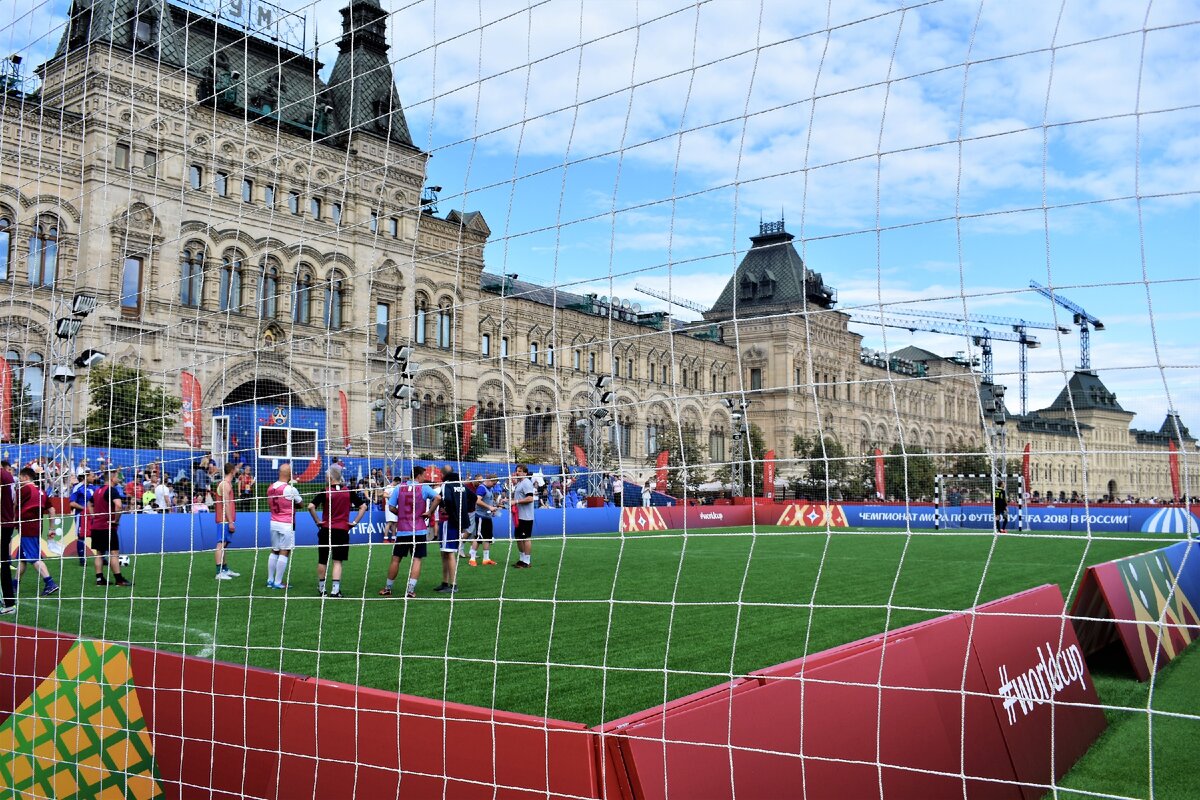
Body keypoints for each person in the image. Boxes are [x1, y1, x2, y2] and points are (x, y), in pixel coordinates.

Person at [309, 465, 368, 598]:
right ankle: (335, 590)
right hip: (341, 530)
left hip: (326, 529)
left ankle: (322, 589)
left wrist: (317, 521)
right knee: (337, 561)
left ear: (330, 478)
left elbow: (311, 506)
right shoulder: (348, 491)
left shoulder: (325, 491)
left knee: (323, 560)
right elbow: (363, 506)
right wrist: (354, 523)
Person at [378, 466, 434, 598]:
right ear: (418, 475)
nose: (424, 478)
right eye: (424, 475)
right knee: (417, 560)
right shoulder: (424, 488)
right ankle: (410, 590)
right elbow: (438, 497)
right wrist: (430, 512)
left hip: (403, 530)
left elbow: (391, 507)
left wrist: (401, 514)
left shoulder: (399, 487)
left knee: (396, 559)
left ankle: (388, 588)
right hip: (419, 530)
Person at [12, 467, 59, 597]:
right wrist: (51, 528)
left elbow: (13, 504)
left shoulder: (24, 489)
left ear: (26, 477)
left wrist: (11, 520)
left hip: (27, 527)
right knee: (22, 558)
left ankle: (50, 583)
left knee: (33, 557)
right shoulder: (42, 492)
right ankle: (14, 585)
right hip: (37, 527)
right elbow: (52, 510)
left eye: (20, 478)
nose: (19, 480)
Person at [89, 469, 132, 587]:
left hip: (96, 526)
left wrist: (94, 516)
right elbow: (118, 505)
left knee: (99, 553)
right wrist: (116, 520)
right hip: (107, 526)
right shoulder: (112, 490)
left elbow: (89, 504)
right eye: (117, 477)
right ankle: (119, 580)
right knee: (114, 552)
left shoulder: (97, 491)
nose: (119, 479)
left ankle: (99, 579)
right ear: (112, 478)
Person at [434, 470, 475, 594]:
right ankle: (445, 582)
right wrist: (462, 510)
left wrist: (450, 511)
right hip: (457, 521)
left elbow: (446, 499)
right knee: (445, 553)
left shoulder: (446, 485)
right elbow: (473, 498)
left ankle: (453, 584)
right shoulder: (462, 486)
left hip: (448, 521)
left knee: (449, 552)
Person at [265, 463, 303, 589]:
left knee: (274, 550)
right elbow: (301, 504)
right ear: (290, 474)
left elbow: (269, 503)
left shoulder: (270, 487)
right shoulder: (290, 489)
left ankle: (270, 580)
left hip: (273, 521)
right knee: (285, 551)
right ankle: (278, 582)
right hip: (286, 523)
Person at [213, 463, 240, 580]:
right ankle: (219, 572)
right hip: (223, 520)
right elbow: (226, 504)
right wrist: (230, 522)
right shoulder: (224, 484)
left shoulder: (227, 484)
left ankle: (224, 569)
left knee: (224, 545)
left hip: (226, 519)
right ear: (232, 471)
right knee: (221, 544)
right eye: (236, 469)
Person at [468, 474, 501, 567]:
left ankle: (486, 559)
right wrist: (489, 507)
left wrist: (492, 509)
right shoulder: (482, 488)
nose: (494, 485)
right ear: (489, 480)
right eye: (493, 483)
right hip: (481, 517)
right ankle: (472, 559)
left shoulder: (489, 488)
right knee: (479, 537)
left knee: (487, 538)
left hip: (487, 517)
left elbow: (487, 501)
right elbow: (477, 501)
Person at [68, 468, 97, 566]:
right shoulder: (78, 487)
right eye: (92, 476)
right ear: (86, 476)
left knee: (96, 534)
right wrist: (85, 509)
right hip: (81, 515)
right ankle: (82, 559)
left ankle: (101, 557)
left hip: (93, 515)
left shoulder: (93, 488)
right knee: (81, 536)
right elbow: (72, 503)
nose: (94, 478)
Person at [511, 464, 537, 569]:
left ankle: (527, 561)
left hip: (526, 516)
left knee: (526, 538)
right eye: (517, 471)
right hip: (519, 516)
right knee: (518, 537)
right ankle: (522, 559)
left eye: (520, 471)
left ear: (525, 473)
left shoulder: (526, 483)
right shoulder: (519, 483)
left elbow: (530, 498)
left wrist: (516, 501)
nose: (518, 473)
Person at [0, 460, 18, 612]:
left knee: (3, 562)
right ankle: (8, 602)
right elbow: (14, 502)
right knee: (4, 562)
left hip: (2, 523)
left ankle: (8, 602)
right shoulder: (8, 475)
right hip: (7, 522)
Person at [382, 474, 400, 543]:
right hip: (389, 506)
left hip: (396, 506)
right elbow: (384, 495)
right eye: (398, 483)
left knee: (395, 523)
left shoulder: (397, 488)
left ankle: (393, 538)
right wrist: (392, 497)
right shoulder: (388, 487)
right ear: (396, 482)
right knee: (389, 522)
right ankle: (385, 538)